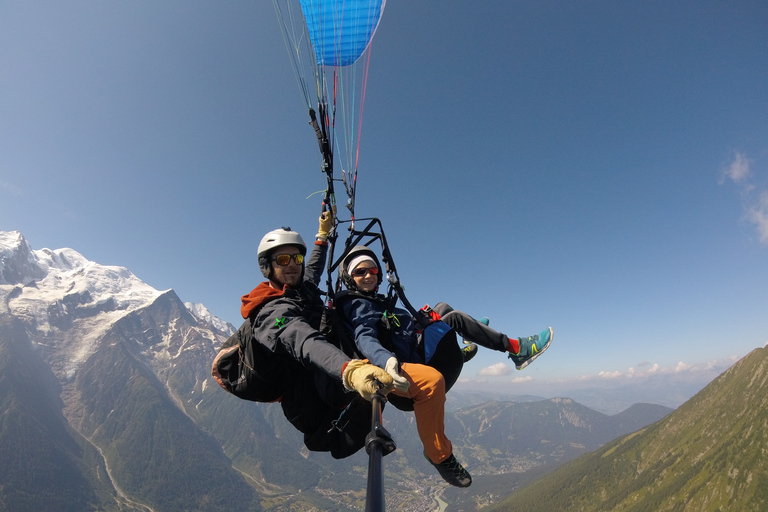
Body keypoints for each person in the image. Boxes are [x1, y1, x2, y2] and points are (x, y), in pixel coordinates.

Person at [334, 245, 553, 487]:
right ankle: (440, 454)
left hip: (410, 352)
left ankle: (469, 338)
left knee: (443, 309)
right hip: (398, 372)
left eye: (372, 269)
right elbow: (364, 337)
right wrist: (385, 359)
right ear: (349, 278)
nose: (368, 275)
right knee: (452, 330)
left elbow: (397, 329)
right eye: (360, 271)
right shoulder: (358, 304)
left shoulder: (375, 300)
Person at [213, 213, 393, 459]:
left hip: (313, 377)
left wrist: (322, 237)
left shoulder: (299, 288)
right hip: (305, 396)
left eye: (297, 258)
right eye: (283, 259)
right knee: (352, 408)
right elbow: (303, 340)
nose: (292, 264)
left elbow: (314, 269)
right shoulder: (270, 311)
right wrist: (349, 370)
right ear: (267, 266)